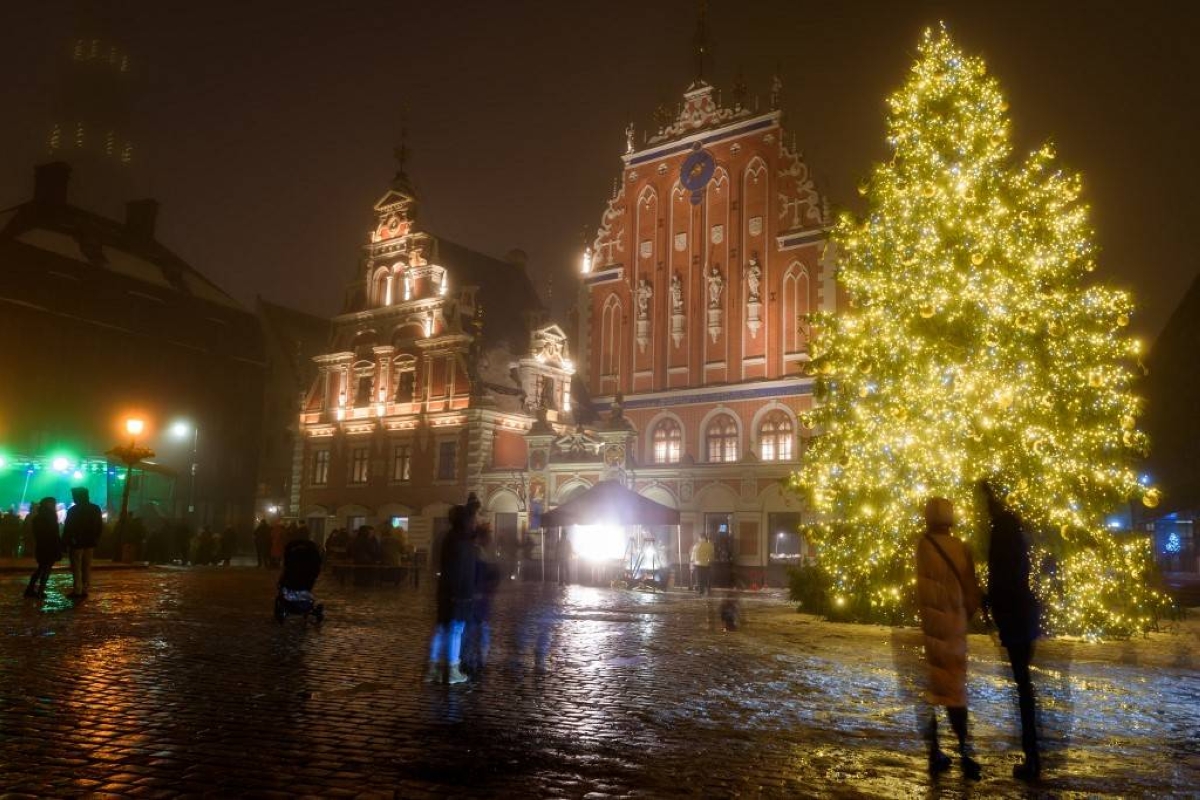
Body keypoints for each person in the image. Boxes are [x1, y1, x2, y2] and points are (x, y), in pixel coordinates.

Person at [916, 496, 983, 780]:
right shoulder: (960, 548)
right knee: (955, 691)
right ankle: (965, 750)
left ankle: (934, 751)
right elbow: (971, 590)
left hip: (931, 627)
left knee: (932, 688)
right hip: (954, 628)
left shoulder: (923, 545)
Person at [981, 481, 1042, 781]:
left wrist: (990, 599)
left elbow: (1001, 575)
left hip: (1016, 616)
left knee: (1023, 687)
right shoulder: (1014, 530)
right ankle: (1032, 755)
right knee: (1024, 685)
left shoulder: (1002, 530)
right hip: (1023, 615)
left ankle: (1032, 758)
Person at [426, 505, 478, 685]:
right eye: (473, 520)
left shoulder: (450, 537)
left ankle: (433, 670)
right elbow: (461, 570)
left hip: (446, 590)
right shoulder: (462, 541)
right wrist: (460, 594)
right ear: (466, 522)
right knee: (455, 631)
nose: (475, 523)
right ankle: (451, 671)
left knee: (442, 629)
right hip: (458, 593)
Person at [62, 487, 103, 598]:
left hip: (76, 542)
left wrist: (66, 541)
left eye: (74, 496)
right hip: (90, 542)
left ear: (78, 496)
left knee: (76, 567)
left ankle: (77, 590)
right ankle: (84, 589)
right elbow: (99, 526)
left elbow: (68, 527)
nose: (73, 498)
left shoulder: (73, 510)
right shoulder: (95, 508)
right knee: (86, 566)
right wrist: (96, 539)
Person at [24, 498, 62, 599]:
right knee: (46, 569)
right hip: (50, 545)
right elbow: (54, 533)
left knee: (41, 568)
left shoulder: (38, 517)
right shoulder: (50, 516)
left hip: (41, 545)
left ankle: (30, 589)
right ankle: (40, 591)